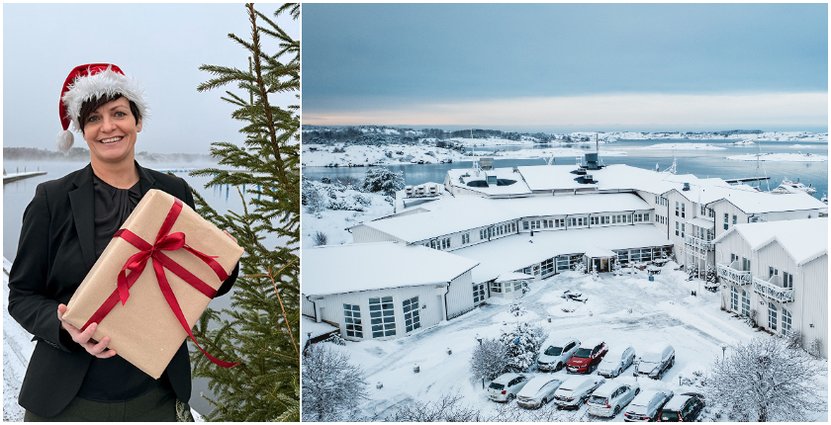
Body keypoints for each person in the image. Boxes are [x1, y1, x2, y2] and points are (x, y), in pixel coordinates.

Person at [8, 63, 238, 421]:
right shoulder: (51, 199)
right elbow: (21, 296)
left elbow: (196, 281)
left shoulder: (172, 191)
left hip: (157, 395)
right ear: (82, 131)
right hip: (69, 400)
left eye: (119, 113)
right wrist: (62, 325)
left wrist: (223, 260)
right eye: (94, 118)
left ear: (137, 121)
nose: (108, 127)